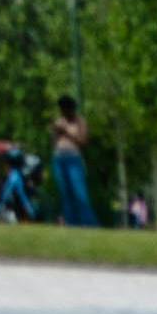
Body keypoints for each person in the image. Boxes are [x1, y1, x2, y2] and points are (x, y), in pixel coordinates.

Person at [51, 96, 96, 227]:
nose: (64, 111)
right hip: (59, 158)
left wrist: (66, 132)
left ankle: (89, 224)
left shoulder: (80, 122)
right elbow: (54, 143)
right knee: (66, 193)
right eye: (62, 108)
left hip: (74, 158)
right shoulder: (58, 122)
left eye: (66, 108)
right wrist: (56, 132)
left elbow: (84, 141)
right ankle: (71, 223)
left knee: (80, 193)